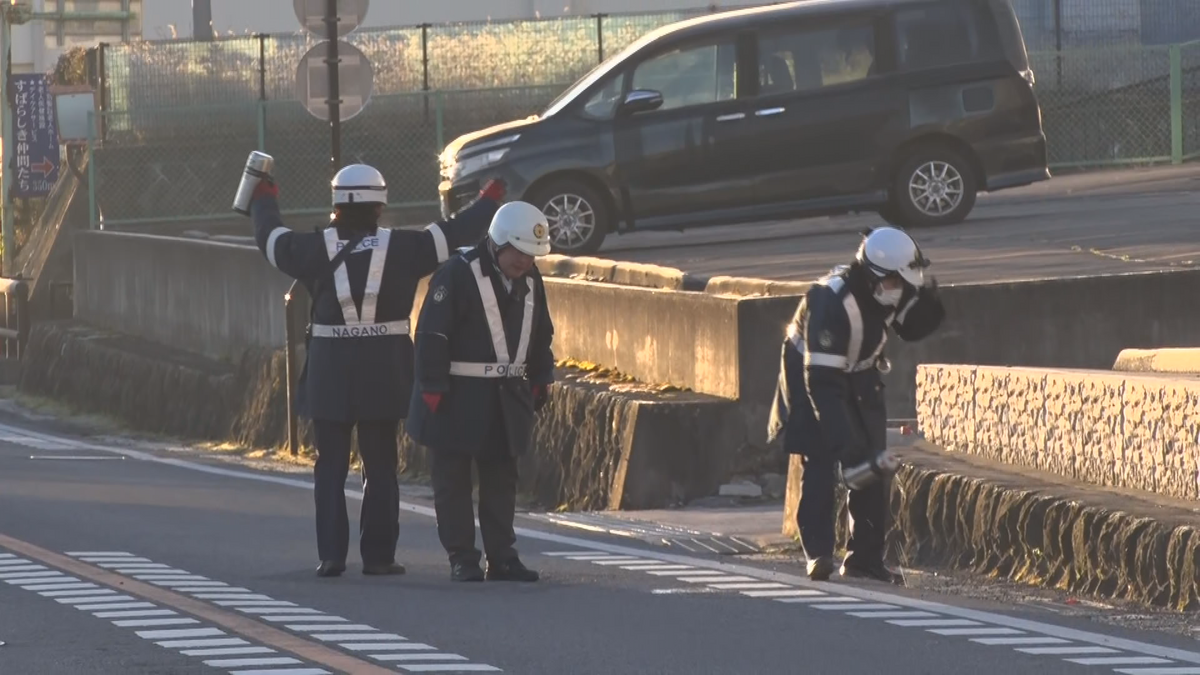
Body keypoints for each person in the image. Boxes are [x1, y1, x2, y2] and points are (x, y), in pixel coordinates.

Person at [249, 162, 505, 578]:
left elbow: (272, 240)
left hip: (330, 370)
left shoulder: (314, 248)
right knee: (381, 464)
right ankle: (379, 556)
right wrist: (489, 201)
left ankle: (331, 556)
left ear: (335, 203)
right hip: (385, 370)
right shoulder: (405, 247)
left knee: (329, 465)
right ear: (380, 204)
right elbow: (453, 232)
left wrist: (264, 201)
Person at [767, 226, 944, 583]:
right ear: (877, 278)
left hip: (859, 371)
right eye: (897, 284)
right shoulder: (831, 303)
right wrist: (844, 444)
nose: (901, 292)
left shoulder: (890, 293)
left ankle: (865, 558)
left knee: (872, 461)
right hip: (811, 371)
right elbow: (823, 385)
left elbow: (910, 326)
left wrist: (929, 308)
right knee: (819, 456)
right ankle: (818, 552)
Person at [405, 201, 556, 583]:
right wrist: (433, 385)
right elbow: (431, 334)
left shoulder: (532, 280)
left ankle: (502, 556)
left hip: (507, 397)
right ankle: (462, 556)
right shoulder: (456, 274)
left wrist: (540, 376)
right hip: (458, 393)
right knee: (453, 479)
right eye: (519, 253)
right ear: (498, 241)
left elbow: (540, 333)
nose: (525, 262)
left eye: (532, 256)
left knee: (501, 478)